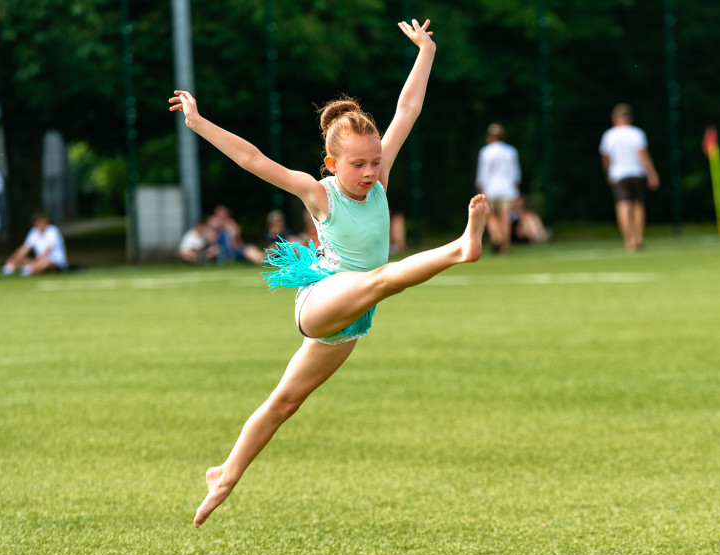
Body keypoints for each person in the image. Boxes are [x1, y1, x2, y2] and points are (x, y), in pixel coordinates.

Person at [169, 19, 490, 528]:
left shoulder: (379, 180)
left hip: (352, 320)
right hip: (321, 301)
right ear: (331, 163)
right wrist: (198, 122)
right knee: (381, 280)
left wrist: (426, 50)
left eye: (375, 162)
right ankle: (460, 249)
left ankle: (224, 474)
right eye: (358, 165)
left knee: (285, 403)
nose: (368, 173)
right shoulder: (320, 194)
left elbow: (409, 108)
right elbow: (253, 159)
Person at [599, 103, 659, 253]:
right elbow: (643, 156)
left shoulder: (609, 135)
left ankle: (629, 240)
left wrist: (608, 173)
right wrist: (652, 173)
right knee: (638, 205)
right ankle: (638, 238)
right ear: (630, 118)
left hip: (618, 174)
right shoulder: (637, 133)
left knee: (623, 205)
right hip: (636, 173)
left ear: (614, 118)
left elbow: (606, 158)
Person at [475, 123, 521, 254]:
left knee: (491, 216)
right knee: (506, 217)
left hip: (491, 189)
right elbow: (515, 173)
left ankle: (496, 237)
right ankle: (505, 246)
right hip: (507, 189)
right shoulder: (510, 151)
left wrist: (480, 189)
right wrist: (517, 190)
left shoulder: (485, 151)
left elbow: (482, 174)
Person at [2, 212, 67, 276]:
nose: (38, 224)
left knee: (45, 263)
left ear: (45, 221)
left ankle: (30, 269)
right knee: (21, 260)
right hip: (39, 260)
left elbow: (47, 250)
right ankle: (23, 268)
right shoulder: (34, 232)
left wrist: (35, 262)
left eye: (40, 222)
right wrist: (13, 259)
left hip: (55, 262)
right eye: (36, 222)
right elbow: (24, 248)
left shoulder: (53, 230)